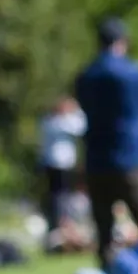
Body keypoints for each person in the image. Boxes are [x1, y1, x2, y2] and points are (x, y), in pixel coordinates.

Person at [74, 17, 138, 268]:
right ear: (123, 42)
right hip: (132, 158)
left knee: (104, 232)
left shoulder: (87, 74)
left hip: (97, 159)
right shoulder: (134, 72)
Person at [38, 96, 86, 246]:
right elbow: (79, 126)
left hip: (66, 165)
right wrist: (75, 111)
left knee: (65, 198)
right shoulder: (54, 122)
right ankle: (60, 227)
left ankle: (66, 226)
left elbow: (81, 126)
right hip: (56, 165)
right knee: (59, 198)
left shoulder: (56, 121)